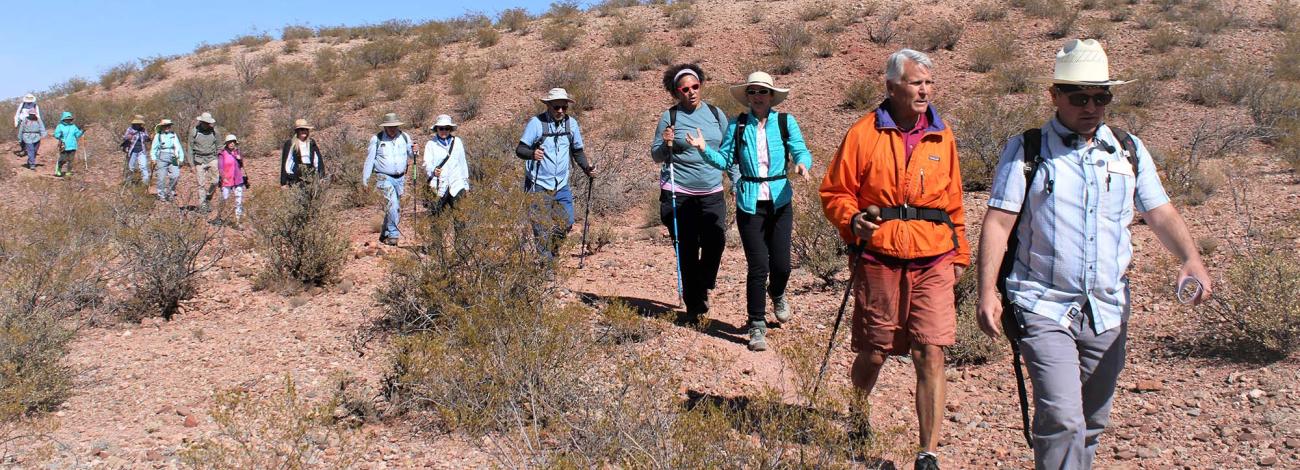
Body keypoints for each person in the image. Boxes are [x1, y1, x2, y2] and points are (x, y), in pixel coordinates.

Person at [975, 39, 1212, 470]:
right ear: (1055, 97)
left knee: (1090, 422)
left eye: (1101, 97)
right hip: (1042, 302)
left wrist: (1190, 259)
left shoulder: (1127, 150)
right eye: (1079, 97)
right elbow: (998, 222)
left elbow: (1158, 211)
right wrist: (986, 291)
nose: (1091, 106)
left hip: (1107, 307)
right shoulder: (1028, 150)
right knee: (1063, 419)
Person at [819, 49, 969, 470]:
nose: (924, 90)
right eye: (915, 82)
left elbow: (954, 201)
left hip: (934, 257)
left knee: (931, 352)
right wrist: (852, 221)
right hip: (880, 257)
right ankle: (857, 409)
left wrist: (960, 254)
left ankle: (928, 453)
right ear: (891, 87)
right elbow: (835, 192)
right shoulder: (864, 132)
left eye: (929, 82)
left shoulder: (943, 134)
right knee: (875, 352)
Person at [684, 71, 813, 351]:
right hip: (749, 202)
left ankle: (777, 293)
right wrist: (704, 149)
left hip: (779, 199)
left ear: (771, 96)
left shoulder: (784, 122)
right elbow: (725, 160)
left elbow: (800, 149)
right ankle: (757, 324)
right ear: (748, 96)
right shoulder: (738, 125)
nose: (757, 97)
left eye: (762, 91)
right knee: (758, 265)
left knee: (782, 265)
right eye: (752, 92)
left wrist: (802, 163)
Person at [650, 64, 736, 322]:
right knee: (686, 248)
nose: (691, 92)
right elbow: (656, 155)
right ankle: (694, 306)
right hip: (679, 192)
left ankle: (703, 284)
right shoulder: (670, 117)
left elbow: (727, 153)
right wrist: (666, 144)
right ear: (677, 92)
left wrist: (736, 181)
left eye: (695, 87)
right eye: (684, 89)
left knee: (716, 241)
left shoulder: (715, 114)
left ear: (701, 85)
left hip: (711, 190)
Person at [516, 88, 594, 261]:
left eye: (563, 108)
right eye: (556, 107)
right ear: (548, 106)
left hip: (561, 184)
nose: (560, 111)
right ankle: (547, 268)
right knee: (541, 228)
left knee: (566, 222)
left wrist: (587, 168)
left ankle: (551, 252)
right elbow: (520, 149)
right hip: (538, 184)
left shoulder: (571, 124)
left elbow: (577, 150)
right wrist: (532, 154)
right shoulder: (536, 123)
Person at [362, 113, 416, 246]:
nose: (392, 129)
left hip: (400, 178)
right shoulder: (377, 139)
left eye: (395, 126)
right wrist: (365, 178)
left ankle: (384, 232)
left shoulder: (404, 137)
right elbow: (370, 159)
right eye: (389, 127)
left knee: (394, 207)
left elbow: (411, 154)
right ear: (385, 127)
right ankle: (393, 235)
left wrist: (415, 151)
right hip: (384, 177)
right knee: (393, 204)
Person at [422, 114, 469, 216]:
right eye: (441, 128)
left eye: (447, 128)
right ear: (437, 129)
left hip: (457, 184)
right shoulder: (431, 144)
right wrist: (433, 170)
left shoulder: (457, 142)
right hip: (438, 185)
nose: (444, 131)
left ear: (450, 129)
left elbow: (462, 163)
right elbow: (427, 163)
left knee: (460, 217)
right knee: (436, 218)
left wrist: (466, 185)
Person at [189, 112, 222, 211]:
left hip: (212, 158)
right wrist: (191, 164)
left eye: (208, 123)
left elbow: (219, 146)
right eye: (205, 123)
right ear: (201, 122)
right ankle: (202, 204)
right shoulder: (194, 132)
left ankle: (208, 196)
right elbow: (190, 148)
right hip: (199, 160)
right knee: (201, 184)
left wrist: (221, 161)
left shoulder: (215, 132)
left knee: (216, 181)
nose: (207, 125)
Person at [280, 119, 324, 186]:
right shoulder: (290, 143)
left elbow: (317, 160)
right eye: (302, 129)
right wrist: (283, 182)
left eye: (306, 130)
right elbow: (286, 162)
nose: (304, 132)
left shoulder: (311, 143)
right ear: (297, 131)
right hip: (295, 176)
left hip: (310, 174)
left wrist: (321, 176)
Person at [150, 119, 185, 202]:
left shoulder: (173, 135)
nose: (167, 127)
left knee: (175, 175)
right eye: (165, 126)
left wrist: (181, 158)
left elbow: (178, 146)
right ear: (162, 127)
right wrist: (153, 158)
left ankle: (170, 192)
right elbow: (153, 148)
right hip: (162, 157)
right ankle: (161, 194)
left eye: (169, 125)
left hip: (173, 157)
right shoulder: (158, 136)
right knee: (161, 177)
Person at [217, 134, 247, 225]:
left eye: (233, 142)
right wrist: (223, 177)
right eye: (230, 142)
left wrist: (240, 159)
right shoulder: (222, 153)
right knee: (225, 198)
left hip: (238, 179)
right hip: (227, 179)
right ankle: (220, 216)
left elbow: (241, 165)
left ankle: (238, 219)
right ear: (226, 143)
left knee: (238, 198)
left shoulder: (237, 152)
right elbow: (220, 167)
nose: (232, 144)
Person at [52, 111, 85, 177]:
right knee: (63, 159)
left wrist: (82, 131)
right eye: (67, 119)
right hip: (63, 146)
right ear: (63, 119)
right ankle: (59, 169)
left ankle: (69, 172)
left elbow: (77, 135)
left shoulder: (73, 126)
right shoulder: (60, 126)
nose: (68, 120)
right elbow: (55, 134)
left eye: (69, 119)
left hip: (73, 146)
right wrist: (59, 135)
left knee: (71, 160)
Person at [120, 115, 151, 184]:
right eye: (138, 123)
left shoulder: (143, 130)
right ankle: (128, 182)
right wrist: (129, 137)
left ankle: (145, 183)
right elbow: (125, 137)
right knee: (131, 167)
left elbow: (146, 138)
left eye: (140, 123)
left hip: (141, 150)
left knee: (143, 166)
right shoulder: (130, 129)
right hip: (132, 151)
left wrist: (148, 138)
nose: (139, 125)